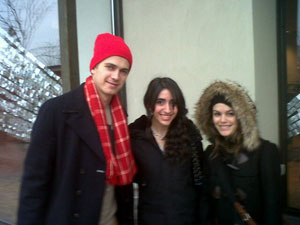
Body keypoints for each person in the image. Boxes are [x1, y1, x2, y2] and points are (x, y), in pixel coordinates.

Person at [17, 33, 137, 225]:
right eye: (110, 67)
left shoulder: (120, 116)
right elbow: (34, 184)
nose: (116, 76)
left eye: (124, 71)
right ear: (94, 67)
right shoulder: (56, 111)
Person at [194, 80, 282, 225]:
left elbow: (272, 207)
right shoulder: (211, 153)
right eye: (217, 114)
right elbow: (205, 203)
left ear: (242, 117)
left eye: (230, 113)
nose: (222, 120)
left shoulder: (265, 152)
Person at [128, 77, 206, 225]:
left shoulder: (190, 137)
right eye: (160, 102)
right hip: (150, 220)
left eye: (173, 103)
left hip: (186, 220)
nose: (168, 110)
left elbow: (201, 187)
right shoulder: (135, 139)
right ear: (150, 105)